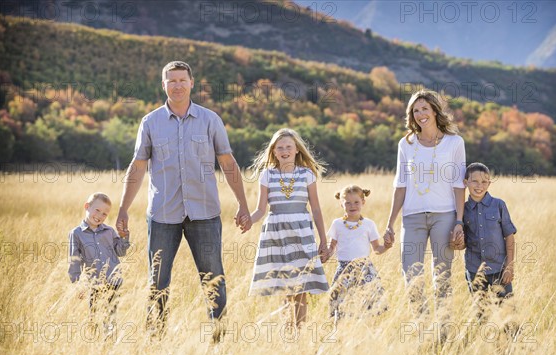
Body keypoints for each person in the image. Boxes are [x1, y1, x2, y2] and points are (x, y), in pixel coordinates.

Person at [115, 61, 252, 336]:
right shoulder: (150, 122)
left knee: (214, 279)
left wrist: (243, 204)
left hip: (205, 214)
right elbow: (138, 166)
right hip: (163, 215)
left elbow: (227, 161)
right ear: (163, 85)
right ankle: (156, 337)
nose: (177, 85)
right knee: (158, 281)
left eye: (182, 80)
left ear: (192, 83)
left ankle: (219, 338)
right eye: (171, 80)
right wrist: (123, 209)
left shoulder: (210, 120)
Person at [384, 89, 466, 315]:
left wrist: (459, 221)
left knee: (442, 277)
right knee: (411, 275)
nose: (420, 114)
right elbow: (400, 184)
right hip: (412, 218)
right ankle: (423, 329)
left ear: (435, 111)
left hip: (445, 216)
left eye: (424, 109)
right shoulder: (406, 144)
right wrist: (390, 223)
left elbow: (459, 184)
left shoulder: (454, 143)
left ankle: (444, 334)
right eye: (415, 110)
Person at [246, 128, 329, 328]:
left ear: (297, 150)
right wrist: (248, 220)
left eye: (289, 147)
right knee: (284, 286)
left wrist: (323, 240)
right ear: (274, 151)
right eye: (280, 147)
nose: (285, 151)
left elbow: (316, 209)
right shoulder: (267, 175)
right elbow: (260, 209)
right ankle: (287, 330)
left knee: (300, 286)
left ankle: (300, 330)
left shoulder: (307, 174)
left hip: (301, 232)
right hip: (276, 234)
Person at [455, 162, 516, 312]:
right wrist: (458, 242)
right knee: (481, 313)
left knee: (507, 313)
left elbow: (509, 236)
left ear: (489, 183)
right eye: (474, 181)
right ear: (465, 182)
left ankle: (513, 336)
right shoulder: (463, 210)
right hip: (474, 269)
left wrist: (509, 267)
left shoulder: (498, 205)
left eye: (484, 182)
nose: (479, 185)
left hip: (499, 269)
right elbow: (463, 244)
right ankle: (484, 336)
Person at [327, 185, 391, 321]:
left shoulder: (368, 224)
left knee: (368, 303)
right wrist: (325, 253)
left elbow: (377, 249)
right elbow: (331, 246)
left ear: (363, 202)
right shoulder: (337, 224)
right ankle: (339, 331)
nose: (352, 206)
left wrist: (386, 246)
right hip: (344, 268)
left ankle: (366, 329)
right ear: (341, 204)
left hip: (364, 268)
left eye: (356, 202)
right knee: (340, 304)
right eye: (347, 203)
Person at [69, 192, 130, 332]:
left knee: (110, 317)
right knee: (94, 316)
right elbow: (74, 260)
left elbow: (121, 252)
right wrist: (77, 284)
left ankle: (109, 342)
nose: (99, 216)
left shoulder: (109, 231)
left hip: (113, 281)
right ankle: (94, 342)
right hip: (94, 283)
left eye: (104, 214)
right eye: (97, 210)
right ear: (87, 207)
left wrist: (124, 238)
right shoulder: (77, 233)